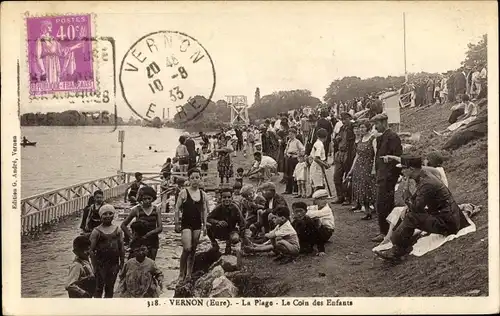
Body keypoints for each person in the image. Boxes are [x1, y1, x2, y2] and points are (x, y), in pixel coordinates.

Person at [374, 156, 463, 262]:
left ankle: (397, 252)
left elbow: (416, 208)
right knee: (409, 213)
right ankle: (398, 243)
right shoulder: (423, 176)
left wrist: (406, 191)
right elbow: (417, 199)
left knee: (411, 217)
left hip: (448, 223)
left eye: (403, 169)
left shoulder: (426, 183)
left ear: (411, 169)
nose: (402, 171)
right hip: (446, 216)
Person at [370, 113, 402, 243]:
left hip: (388, 177)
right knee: (382, 204)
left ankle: (386, 233)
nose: (375, 126)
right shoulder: (381, 138)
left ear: (384, 123)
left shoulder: (393, 137)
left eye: (377, 123)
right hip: (381, 175)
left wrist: (390, 175)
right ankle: (386, 231)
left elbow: (397, 157)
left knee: (384, 204)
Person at [174, 168, 209, 283]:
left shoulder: (203, 194)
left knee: (193, 250)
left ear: (200, 179)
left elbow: (204, 210)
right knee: (187, 248)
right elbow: (177, 208)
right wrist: (176, 222)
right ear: (189, 179)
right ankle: (180, 273)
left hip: (197, 224)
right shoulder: (184, 192)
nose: (195, 180)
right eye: (192, 178)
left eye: (197, 177)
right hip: (186, 223)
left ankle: (189, 273)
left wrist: (204, 225)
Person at [89, 204, 125, 298]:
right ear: (100, 216)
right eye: (105, 214)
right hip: (100, 264)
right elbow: (91, 250)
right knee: (98, 287)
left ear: (113, 215)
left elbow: (121, 248)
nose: (108, 216)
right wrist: (94, 266)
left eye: (110, 213)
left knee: (110, 287)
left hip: (114, 264)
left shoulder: (117, 230)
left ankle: (108, 308)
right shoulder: (96, 231)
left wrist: (122, 263)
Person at [346, 119, 377, 219]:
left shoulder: (372, 139)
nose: (361, 129)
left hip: (368, 166)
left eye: (363, 127)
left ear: (368, 127)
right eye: (360, 127)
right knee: (360, 188)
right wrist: (351, 170)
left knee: (368, 188)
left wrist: (374, 168)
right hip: (359, 166)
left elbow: (376, 155)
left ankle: (376, 210)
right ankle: (367, 212)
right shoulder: (360, 139)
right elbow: (357, 156)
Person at [121, 187, 162, 260]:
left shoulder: (156, 209)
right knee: (138, 262)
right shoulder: (136, 209)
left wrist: (149, 234)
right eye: (144, 199)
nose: (147, 201)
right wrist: (131, 236)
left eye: (149, 199)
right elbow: (123, 225)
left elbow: (160, 228)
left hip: (153, 240)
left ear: (153, 198)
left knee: (151, 262)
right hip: (139, 240)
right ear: (141, 199)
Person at [206, 187, 246, 255]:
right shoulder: (218, 208)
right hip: (220, 230)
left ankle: (229, 245)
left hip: (231, 230)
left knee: (235, 239)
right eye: (224, 197)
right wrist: (218, 222)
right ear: (221, 198)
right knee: (208, 225)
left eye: (229, 197)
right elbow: (208, 218)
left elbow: (242, 223)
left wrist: (241, 237)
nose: (227, 199)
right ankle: (214, 243)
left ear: (232, 198)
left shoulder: (235, 207)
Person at [333, 112, 356, 204]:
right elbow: (336, 140)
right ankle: (340, 196)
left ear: (349, 119)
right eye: (342, 119)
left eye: (345, 119)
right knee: (336, 176)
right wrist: (336, 140)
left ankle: (348, 197)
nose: (343, 121)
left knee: (348, 176)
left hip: (348, 153)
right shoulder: (341, 128)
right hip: (340, 153)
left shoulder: (353, 128)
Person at [283, 127, 305, 194]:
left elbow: (303, 150)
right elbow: (287, 149)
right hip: (288, 158)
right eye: (289, 134)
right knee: (288, 175)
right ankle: (288, 190)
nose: (290, 136)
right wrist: (286, 153)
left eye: (291, 134)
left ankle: (295, 190)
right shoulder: (289, 141)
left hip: (294, 159)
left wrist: (297, 154)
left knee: (294, 175)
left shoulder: (297, 142)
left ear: (295, 134)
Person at [308, 128, 330, 194]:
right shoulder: (320, 144)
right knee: (318, 184)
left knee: (316, 182)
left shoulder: (317, 143)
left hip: (316, 165)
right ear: (326, 137)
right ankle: (317, 197)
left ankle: (313, 194)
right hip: (317, 165)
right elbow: (316, 158)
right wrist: (325, 165)